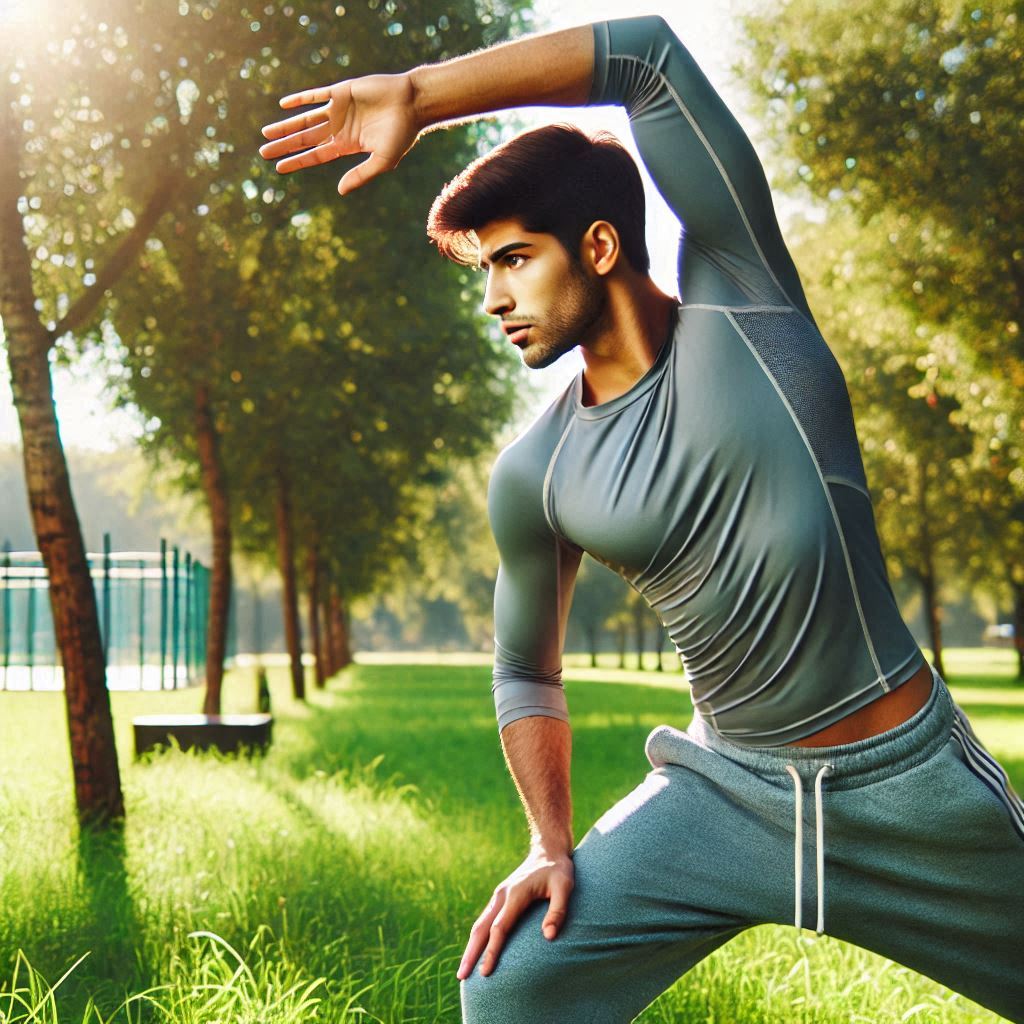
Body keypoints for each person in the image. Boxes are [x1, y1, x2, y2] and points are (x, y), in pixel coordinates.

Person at [259, 15, 1024, 1024]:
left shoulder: (745, 309)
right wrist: (547, 839)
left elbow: (648, 56)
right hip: (723, 795)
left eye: (515, 259)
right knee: (512, 990)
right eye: (484, 269)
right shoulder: (536, 472)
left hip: (904, 788)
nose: (493, 297)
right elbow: (524, 668)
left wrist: (421, 93)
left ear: (601, 245)